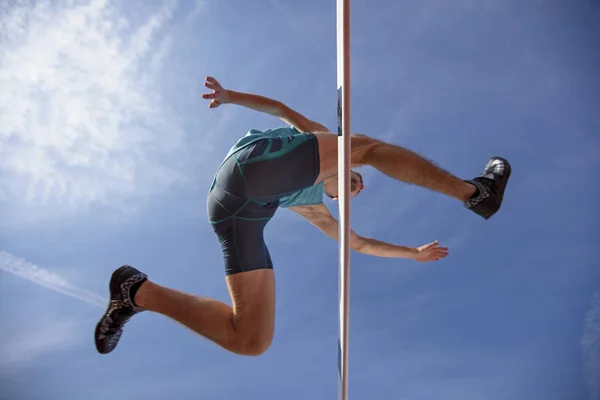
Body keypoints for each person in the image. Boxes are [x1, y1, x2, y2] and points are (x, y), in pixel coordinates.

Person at [94, 77, 511, 356]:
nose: (354, 185)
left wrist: (412, 253)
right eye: (353, 180)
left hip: (235, 217)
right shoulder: (314, 138)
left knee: (251, 339)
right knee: (361, 145)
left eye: (354, 190)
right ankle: (476, 194)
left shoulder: (312, 206)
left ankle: (135, 291)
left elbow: (357, 242)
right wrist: (229, 97)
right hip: (245, 171)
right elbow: (278, 107)